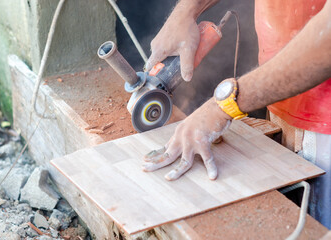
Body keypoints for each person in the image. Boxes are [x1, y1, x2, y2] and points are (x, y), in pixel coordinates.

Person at [142, 0, 331, 228]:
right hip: (282, 99)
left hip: (324, 125)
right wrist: (185, 12)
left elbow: (326, 40)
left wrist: (225, 104)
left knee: (315, 225)